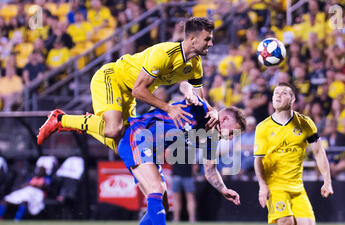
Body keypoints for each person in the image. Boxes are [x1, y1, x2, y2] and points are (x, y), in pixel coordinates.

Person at [36, 17, 218, 152]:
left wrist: (212, 111)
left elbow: (199, 98)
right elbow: (139, 90)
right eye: (207, 39)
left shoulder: (195, 66)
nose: (211, 43)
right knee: (113, 129)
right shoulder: (164, 54)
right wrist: (168, 108)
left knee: (124, 147)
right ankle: (60, 120)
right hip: (111, 78)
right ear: (193, 39)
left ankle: (91, 122)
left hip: (128, 93)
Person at [116, 97, 245, 225]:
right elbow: (186, 85)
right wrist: (191, 93)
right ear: (224, 119)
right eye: (232, 132)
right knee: (157, 188)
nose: (231, 138)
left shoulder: (210, 138)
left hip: (149, 151)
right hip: (137, 136)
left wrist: (224, 190)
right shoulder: (201, 110)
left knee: (163, 204)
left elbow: (210, 170)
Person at [253, 82, 333, 225]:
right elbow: (258, 161)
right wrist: (263, 186)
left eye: (283, 93)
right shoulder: (263, 127)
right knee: (286, 224)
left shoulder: (305, 123)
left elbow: (319, 152)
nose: (278, 96)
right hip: (275, 185)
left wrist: (327, 181)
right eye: (275, 93)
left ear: (293, 99)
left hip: (297, 186)